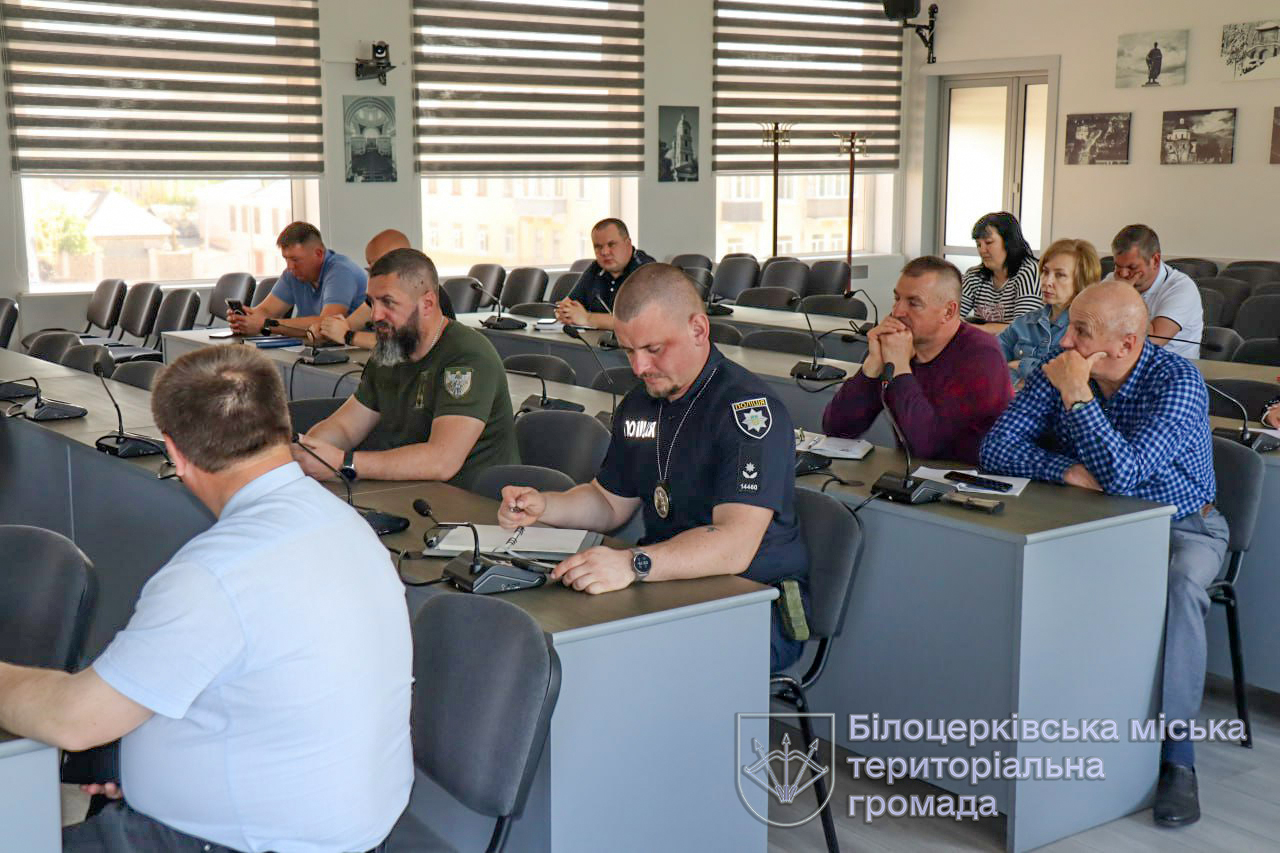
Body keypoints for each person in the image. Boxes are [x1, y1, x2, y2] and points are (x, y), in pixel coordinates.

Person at [0, 345, 413, 852]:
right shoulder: (345, 525)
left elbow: (71, 721)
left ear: (175, 453)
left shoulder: (217, 572)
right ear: (285, 429)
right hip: (328, 828)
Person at [979, 280, 1227, 829]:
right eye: (1070, 324)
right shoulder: (1064, 360)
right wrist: (1063, 470)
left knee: (1181, 585)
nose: (1065, 340)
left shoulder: (1177, 381)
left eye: (1082, 332)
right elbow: (996, 447)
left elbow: (1123, 475)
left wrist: (1078, 397)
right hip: (1089, 521)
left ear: (1128, 343)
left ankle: (1177, 758)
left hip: (1184, 526)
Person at [499, 264, 809, 670]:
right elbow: (609, 504)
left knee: (616, 660)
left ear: (699, 330)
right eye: (629, 350)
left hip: (755, 602)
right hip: (668, 582)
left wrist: (634, 564)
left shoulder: (747, 411)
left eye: (653, 349)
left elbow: (735, 546)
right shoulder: (641, 402)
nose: (639, 367)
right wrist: (545, 506)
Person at [295, 247, 518, 489]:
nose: (375, 315)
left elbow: (442, 461)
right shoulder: (391, 350)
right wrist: (305, 452)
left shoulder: (467, 356)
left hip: (472, 504)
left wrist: (344, 462)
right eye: (372, 302)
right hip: (411, 492)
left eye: (388, 302)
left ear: (427, 303)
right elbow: (346, 428)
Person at [822, 256, 1013, 465]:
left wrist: (900, 368)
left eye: (914, 303)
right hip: (915, 477)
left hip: (973, 481)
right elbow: (837, 428)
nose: (897, 312)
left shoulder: (981, 354)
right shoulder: (901, 344)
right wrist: (873, 364)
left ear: (949, 312)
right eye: (897, 299)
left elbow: (928, 445)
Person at [315, 228, 455, 349]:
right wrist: (326, 329)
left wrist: (348, 336)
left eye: (379, 266)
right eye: (370, 266)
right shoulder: (380, 294)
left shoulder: (426, 294)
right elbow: (349, 323)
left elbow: (408, 343)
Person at [229, 221, 367, 338]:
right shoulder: (293, 273)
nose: (289, 267)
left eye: (295, 259)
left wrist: (266, 325)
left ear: (318, 253)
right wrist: (245, 318)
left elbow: (327, 324)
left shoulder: (341, 272)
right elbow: (267, 310)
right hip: (314, 346)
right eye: (286, 259)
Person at [998, 238, 1101, 387]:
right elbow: (991, 356)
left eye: (1059, 275)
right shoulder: (1024, 322)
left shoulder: (1085, 330)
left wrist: (1020, 366)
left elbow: (1066, 379)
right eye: (1045, 272)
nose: (1047, 282)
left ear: (1081, 281)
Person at [1106, 224, 1203, 359]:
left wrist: (1125, 294)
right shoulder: (1113, 279)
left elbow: (1153, 341)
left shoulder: (1182, 288)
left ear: (1155, 260)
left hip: (1171, 368)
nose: (1123, 273)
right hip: (1122, 361)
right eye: (1118, 266)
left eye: (1132, 267)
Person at [554, 218, 655, 329]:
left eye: (611, 244)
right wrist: (566, 313)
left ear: (628, 244)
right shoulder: (596, 267)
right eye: (598, 247)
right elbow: (564, 307)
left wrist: (588, 318)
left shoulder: (646, 270)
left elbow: (639, 323)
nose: (604, 252)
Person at [960, 211, 1041, 323]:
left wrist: (974, 331)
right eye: (978, 244)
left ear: (1008, 242)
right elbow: (952, 318)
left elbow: (1023, 330)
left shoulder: (1029, 272)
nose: (982, 250)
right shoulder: (974, 275)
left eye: (989, 243)